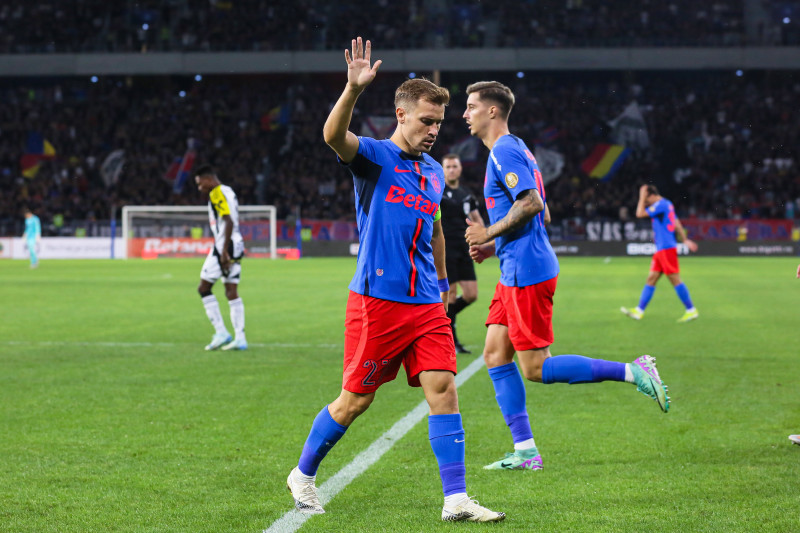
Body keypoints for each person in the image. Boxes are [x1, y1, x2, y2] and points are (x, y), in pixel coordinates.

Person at [285, 38, 504, 523]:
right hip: (377, 303)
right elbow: (331, 137)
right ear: (401, 115)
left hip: (426, 302)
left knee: (444, 386)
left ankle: (456, 500)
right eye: (426, 121)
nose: (433, 131)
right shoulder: (374, 158)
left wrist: (445, 280)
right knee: (355, 401)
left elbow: (434, 231)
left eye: (439, 124)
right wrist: (351, 90)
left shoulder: (431, 173)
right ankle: (302, 474)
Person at [462, 81, 670, 472]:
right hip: (514, 267)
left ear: (492, 111)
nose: (465, 114)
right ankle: (525, 451)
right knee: (493, 353)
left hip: (527, 271)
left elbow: (533, 203)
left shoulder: (504, 150)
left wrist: (487, 233)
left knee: (536, 368)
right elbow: (545, 214)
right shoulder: (518, 148)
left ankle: (632, 370)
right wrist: (496, 247)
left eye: (471, 106)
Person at [621, 184, 699, 323]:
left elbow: (639, 214)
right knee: (651, 278)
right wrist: (685, 239)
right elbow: (676, 222)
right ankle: (639, 311)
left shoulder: (660, 205)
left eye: (646, 199)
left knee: (675, 279)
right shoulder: (668, 204)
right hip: (662, 248)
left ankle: (691, 310)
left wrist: (641, 196)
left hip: (666, 248)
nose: (645, 203)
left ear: (651, 195)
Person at [194, 165, 247, 351]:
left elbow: (227, 220)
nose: (200, 188)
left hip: (225, 245)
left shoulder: (216, 192)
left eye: (200, 184)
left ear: (208, 179)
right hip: (237, 244)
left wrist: (223, 251)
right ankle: (240, 338)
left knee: (204, 287)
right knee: (231, 291)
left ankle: (222, 332)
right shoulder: (228, 191)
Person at [439, 153, 483, 354]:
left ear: (460, 168)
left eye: (454, 166)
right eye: (447, 167)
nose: (451, 170)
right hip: (446, 249)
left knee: (472, 295)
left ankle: (442, 319)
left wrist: (485, 239)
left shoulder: (466, 194)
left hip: (464, 249)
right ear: (443, 169)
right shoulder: (437, 191)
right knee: (451, 295)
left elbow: (478, 221)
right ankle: (451, 341)